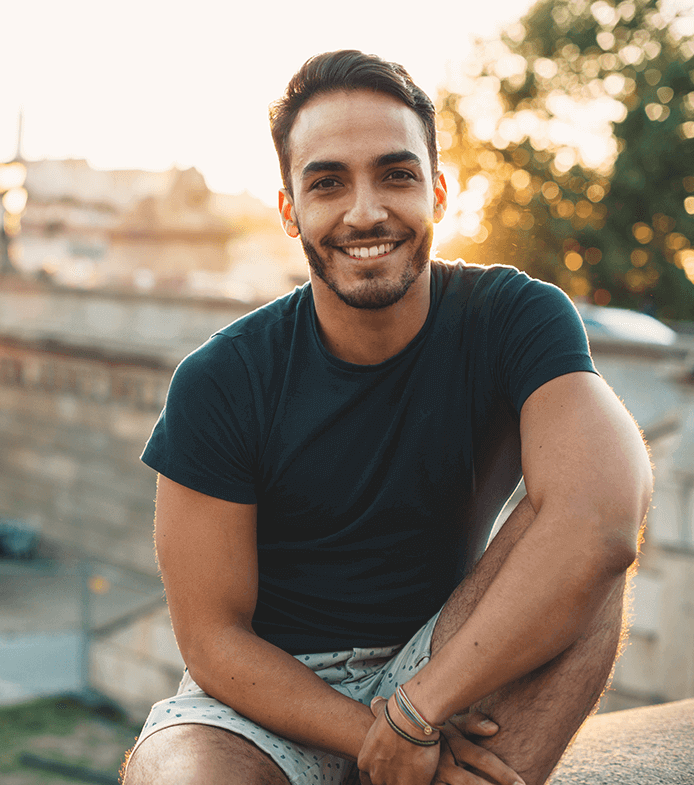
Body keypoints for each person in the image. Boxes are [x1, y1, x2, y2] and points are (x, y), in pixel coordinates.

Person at [122, 50, 652, 785]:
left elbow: (601, 517)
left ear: (438, 192)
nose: (365, 210)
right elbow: (213, 641)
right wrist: (379, 731)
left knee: (581, 550)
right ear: (289, 210)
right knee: (177, 776)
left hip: (447, 663)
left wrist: (416, 710)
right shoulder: (222, 378)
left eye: (396, 174)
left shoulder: (514, 314)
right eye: (328, 182)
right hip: (266, 696)